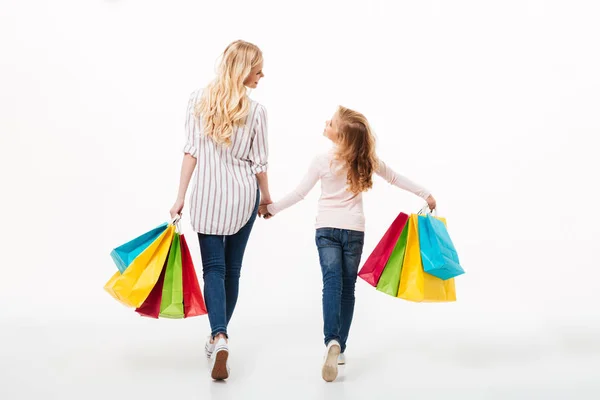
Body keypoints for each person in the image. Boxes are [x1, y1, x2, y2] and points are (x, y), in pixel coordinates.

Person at [260, 106, 436, 382]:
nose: (325, 123)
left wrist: (271, 209)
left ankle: (331, 340)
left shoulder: (321, 160)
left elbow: (299, 194)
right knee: (347, 289)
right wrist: (425, 194)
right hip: (354, 230)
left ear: (339, 135)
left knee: (331, 283)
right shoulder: (365, 160)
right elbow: (395, 178)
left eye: (330, 122)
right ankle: (340, 346)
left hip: (327, 228)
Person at [170, 40, 271, 380]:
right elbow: (260, 164)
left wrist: (180, 196)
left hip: (208, 197)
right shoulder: (257, 111)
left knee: (213, 269)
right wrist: (266, 197)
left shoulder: (198, 101)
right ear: (244, 69)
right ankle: (219, 334)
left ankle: (219, 335)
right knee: (233, 270)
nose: (261, 74)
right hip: (243, 198)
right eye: (257, 68)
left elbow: (190, 152)